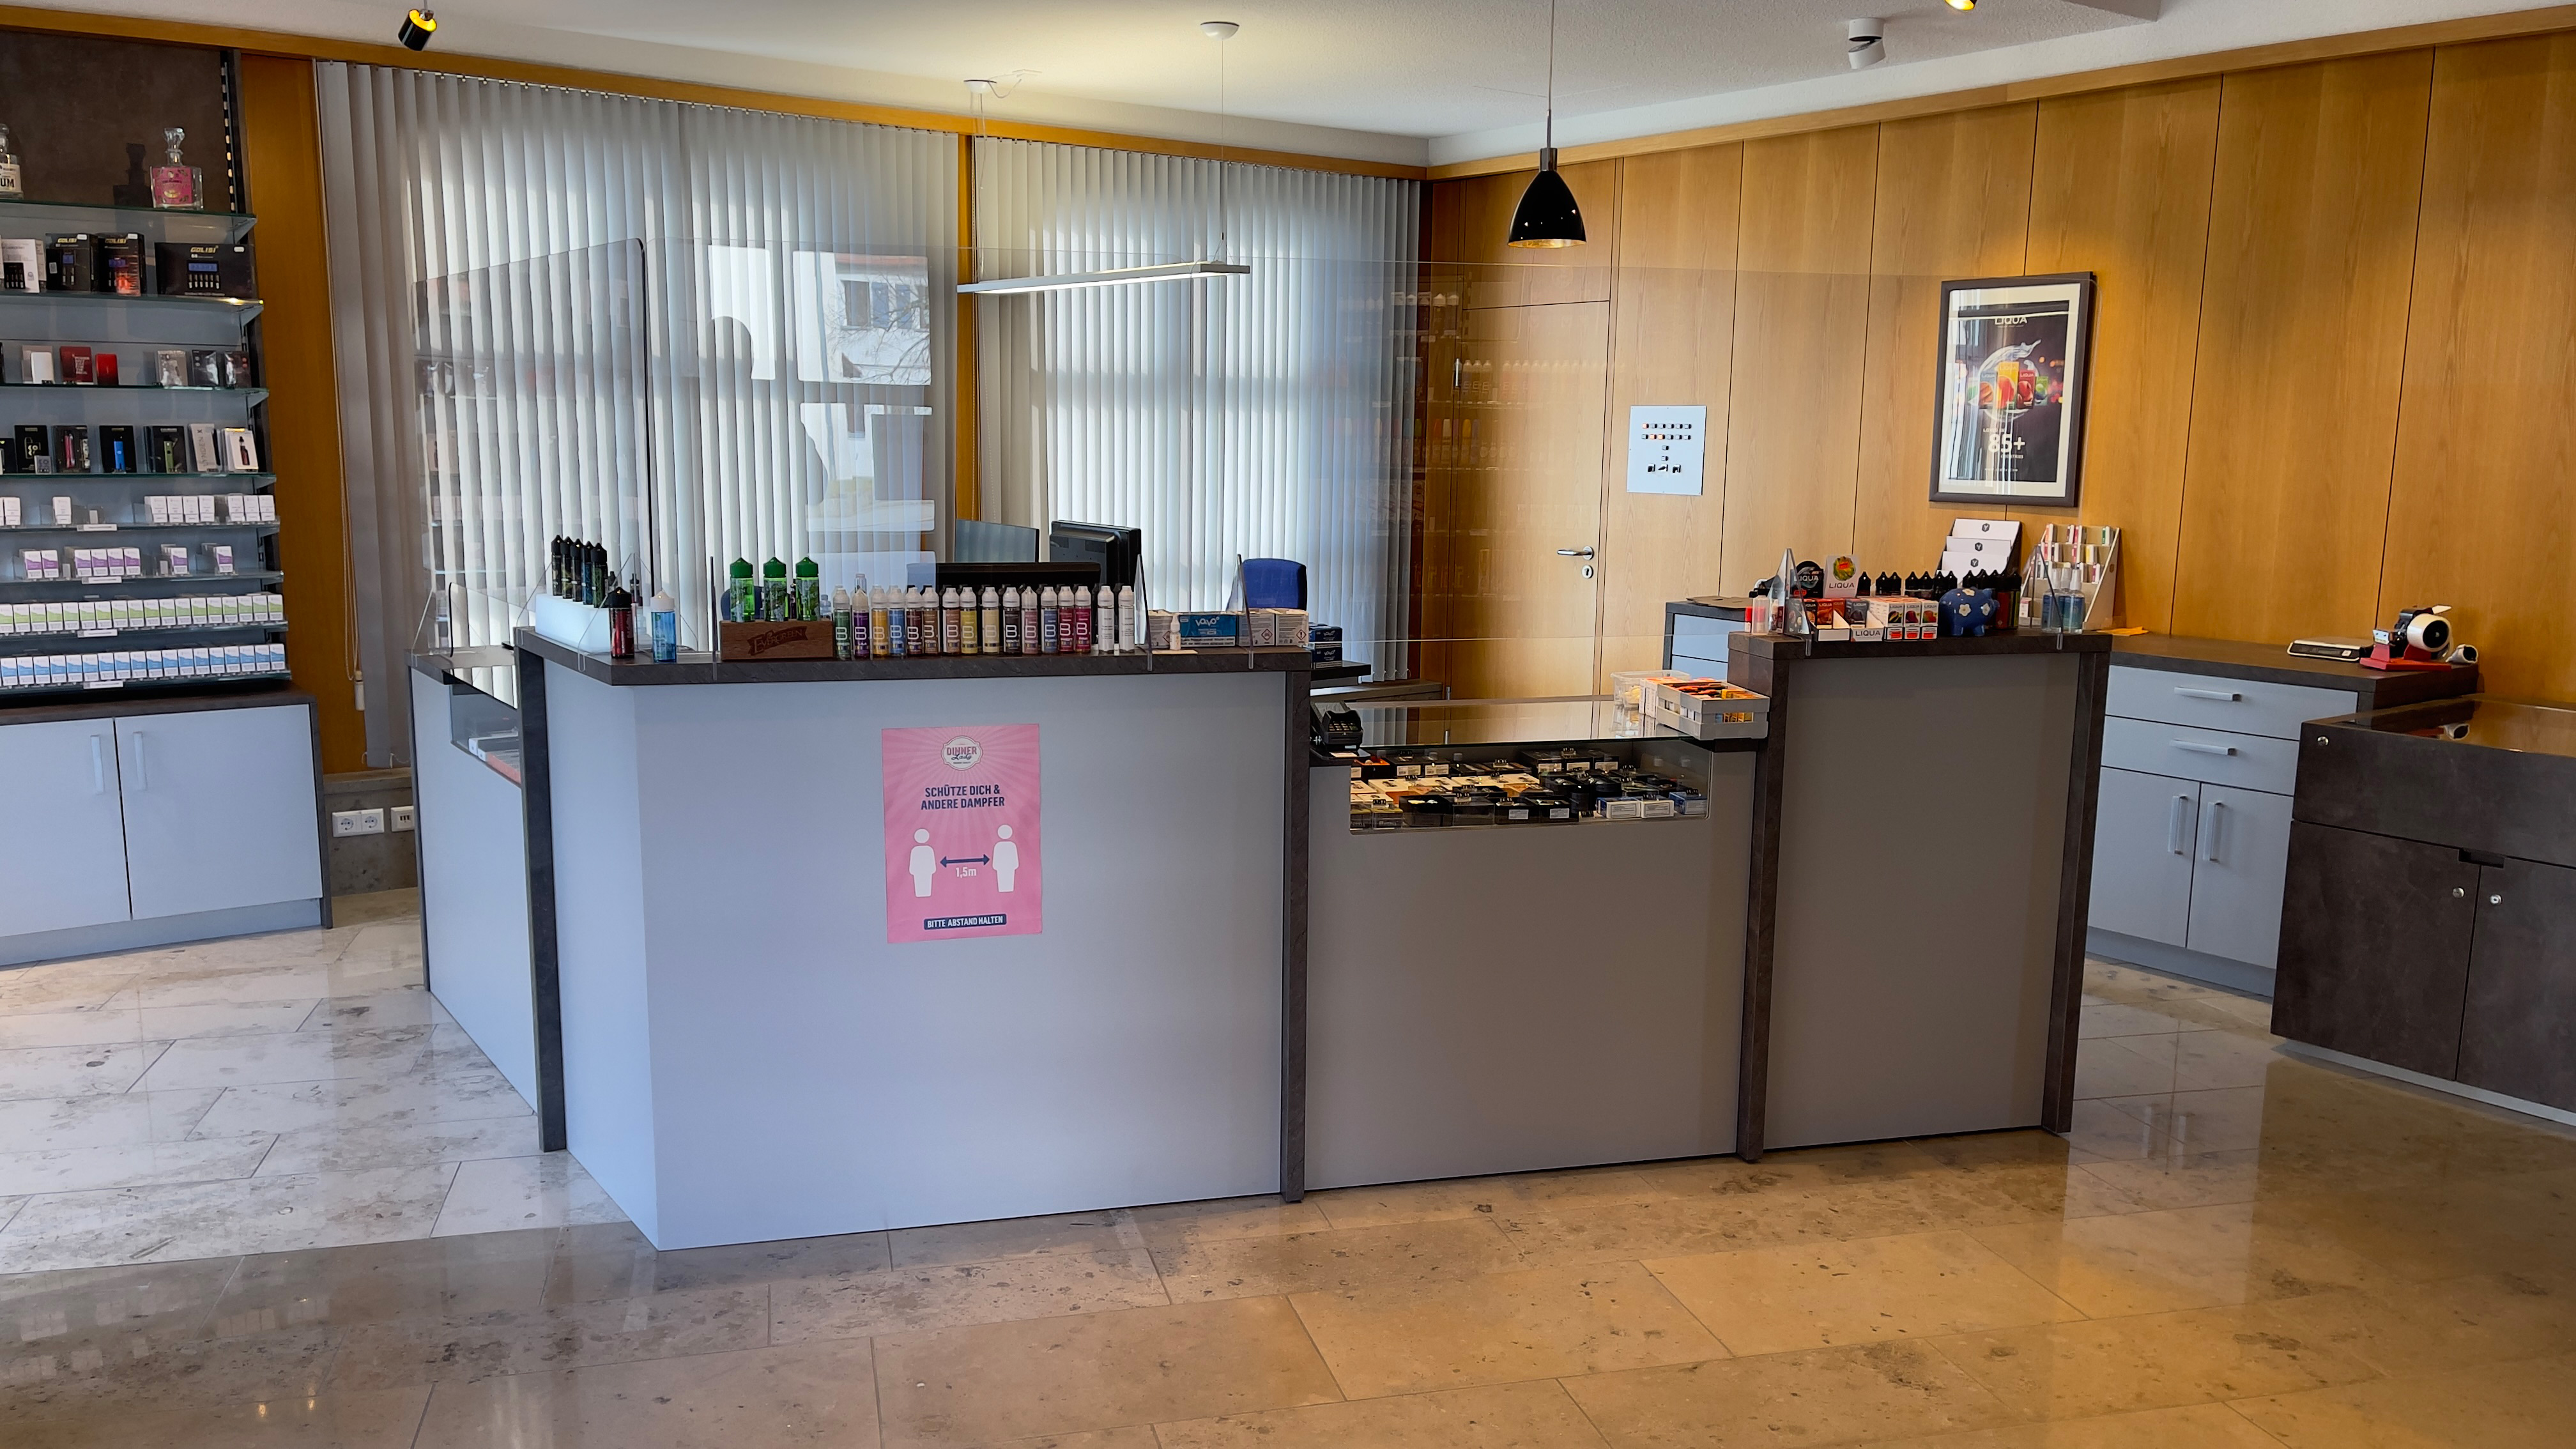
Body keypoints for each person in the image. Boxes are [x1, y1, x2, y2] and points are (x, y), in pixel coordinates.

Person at [908, 829, 936, 898]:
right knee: (923, 884)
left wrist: (912, 871)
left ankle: (922, 893)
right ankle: (923, 893)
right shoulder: (929, 849)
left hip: (921, 872)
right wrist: (933, 869)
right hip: (925, 872)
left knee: (922, 885)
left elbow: (912, 864)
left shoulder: (915, 850)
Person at [993, 824, 1020, 893]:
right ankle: (1006, 889)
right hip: (1008, 868)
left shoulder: (998, 846)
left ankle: (1005, 889)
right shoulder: (1012, 845)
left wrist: (996, 866)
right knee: (1006, 881)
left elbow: (995, 862)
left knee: (1005, 881)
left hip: (1003, 868)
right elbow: (1015, 861)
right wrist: (1015, 865)